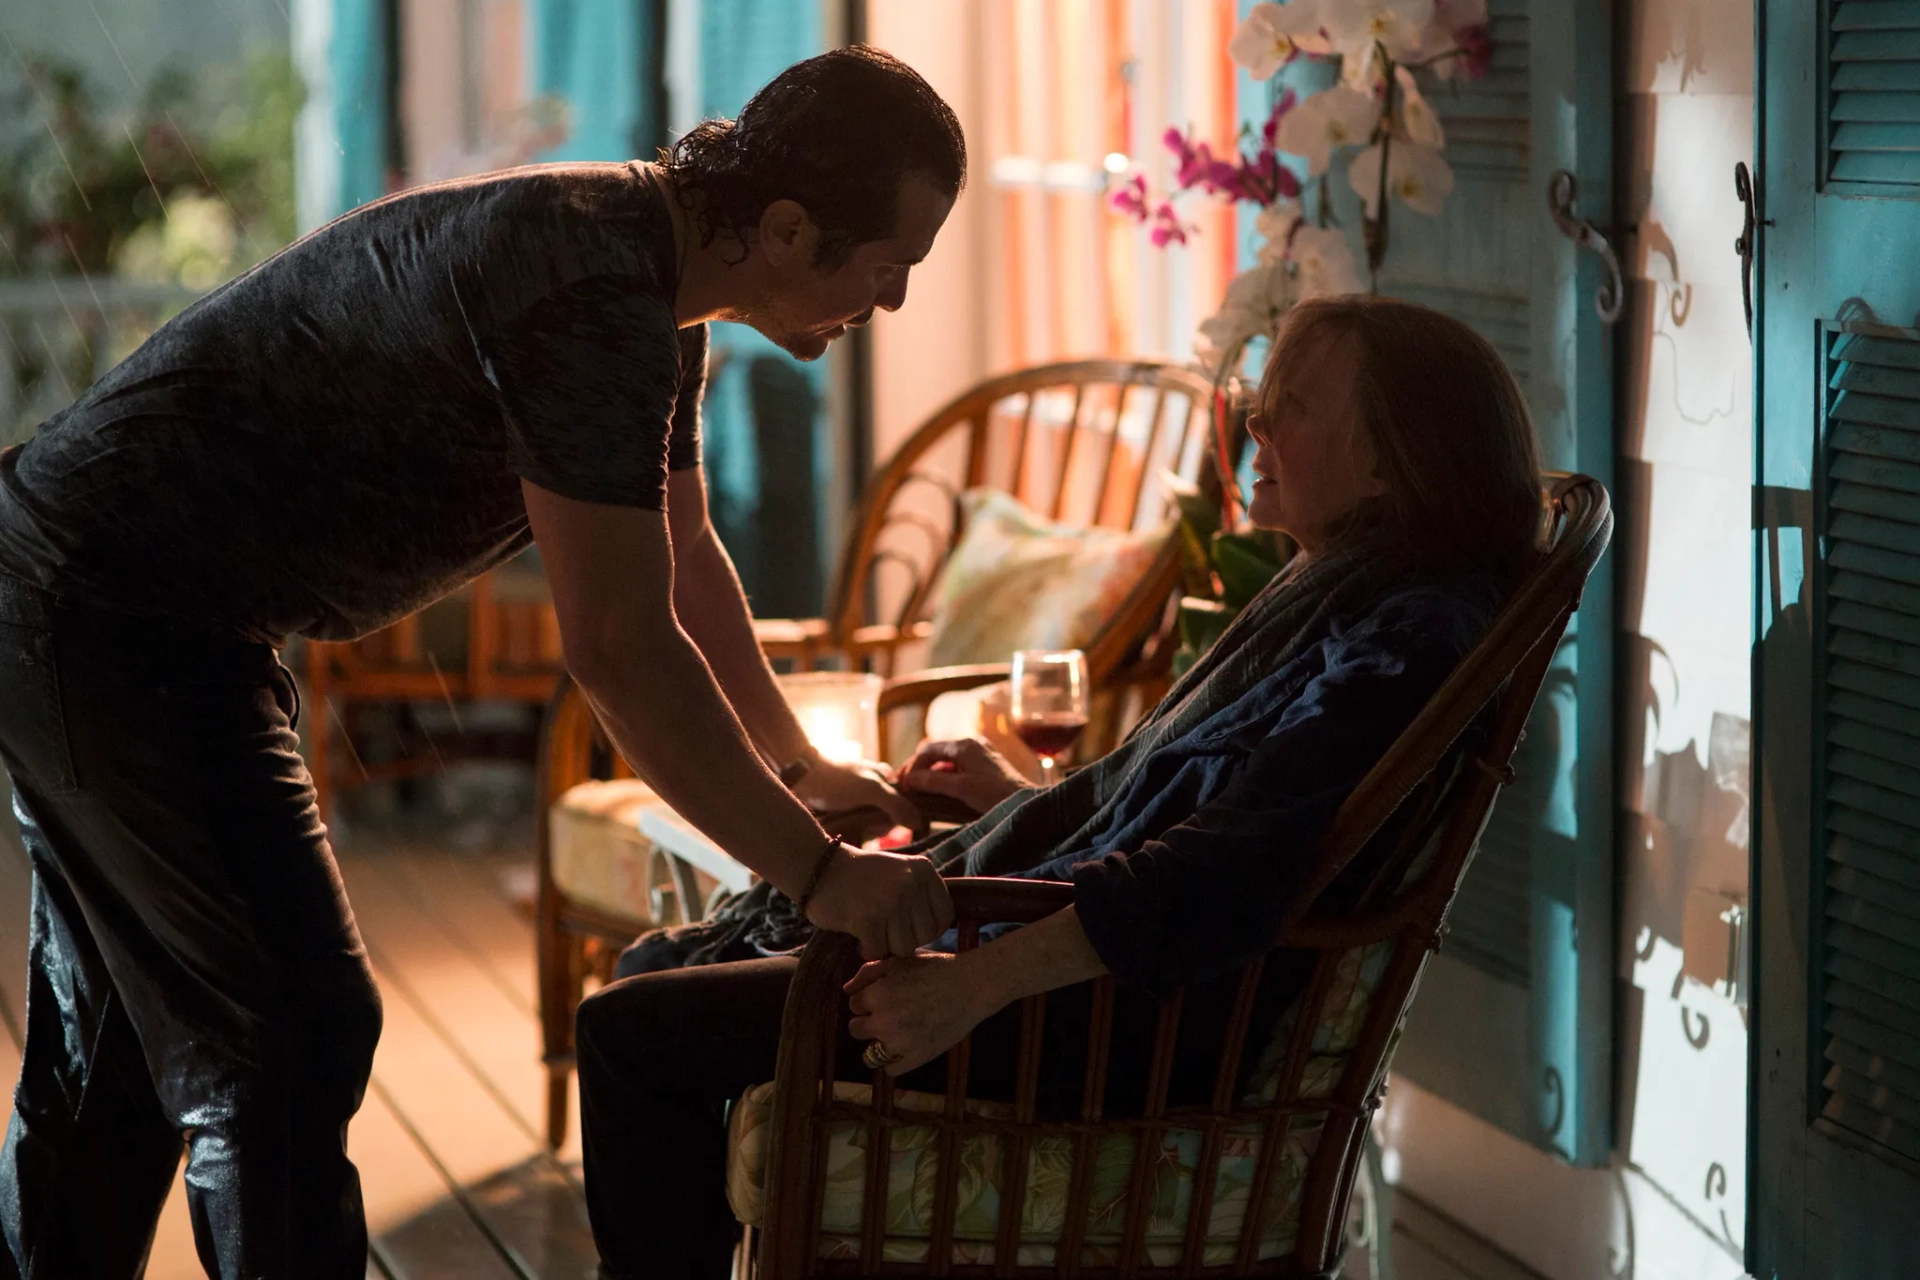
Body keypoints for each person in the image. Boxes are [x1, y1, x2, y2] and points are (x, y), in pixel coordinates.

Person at [0, 46, 963, 1279]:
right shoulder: (592, 292)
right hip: (105, 610)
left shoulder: (648, 273)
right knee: (289, 1033)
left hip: (103, 594)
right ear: (785, 227)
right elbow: (618, 648)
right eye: (888, 269)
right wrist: (818, 874)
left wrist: (797, 762)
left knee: (133, 1041)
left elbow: (679, 547)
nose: (888, 305)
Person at [574, 293, 1547, 1278]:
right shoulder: (1352, 588)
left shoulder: (1405, 641)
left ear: (1391, 461)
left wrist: (973, 986)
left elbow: (1227, 870)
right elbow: (1191, 798)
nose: (1255, 421)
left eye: (1290, 402)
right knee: (658, 967)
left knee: (626, 1031)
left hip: (1109, 1021)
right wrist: (1020, 794)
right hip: (1090, 982)